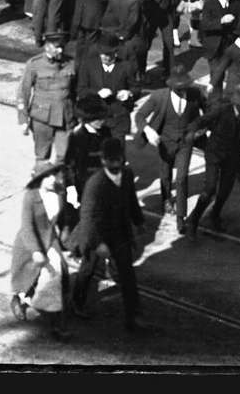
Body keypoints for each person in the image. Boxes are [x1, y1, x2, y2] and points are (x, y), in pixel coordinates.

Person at [68, 137, 147, 333]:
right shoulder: (95, 183)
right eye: (111, 160)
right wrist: (96, 243)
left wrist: (139, 221)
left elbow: (131, 200)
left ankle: (133, 316)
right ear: (103, 161)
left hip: (120, 234)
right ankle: (77, 302)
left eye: (118, 159)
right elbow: (87, 216)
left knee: (127, 275)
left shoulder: (127, 175)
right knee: (87, 270)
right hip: (98, 235)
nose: (115, 164)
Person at [133, 64, 205, 234]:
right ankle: (166, 199)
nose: (181, 91)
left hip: (186, 141)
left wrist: (201, 131)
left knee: (181, 178)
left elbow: (207, 112)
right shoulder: (159, 97)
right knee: (165, 173)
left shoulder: (195, 94)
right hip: (165, 141)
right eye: (177, 88)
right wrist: (148, 130)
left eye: (183, 88)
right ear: (171, 86)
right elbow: (140, 115)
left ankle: (181, 217)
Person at [185, 84, 240, 238]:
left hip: (233, 157)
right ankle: (193, 220)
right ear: (237, 103)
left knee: (225, 190)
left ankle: (215, 215)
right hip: (214, 154)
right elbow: (201, 120)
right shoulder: (222, 110)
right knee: (210, 188)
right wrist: (192, 131)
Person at [10, 161, 73, 341]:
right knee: (32, 276)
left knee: (56, 275)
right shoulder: (30, 197)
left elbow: (65, 218)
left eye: (54, 174)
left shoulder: (60, 191)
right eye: (48, 176)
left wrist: (67, 237)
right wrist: (36, 250)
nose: (53, 179)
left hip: (50, 239)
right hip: (30, 243)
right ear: (39, 179)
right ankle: (20, 298)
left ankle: (55, 323)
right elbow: (27, 227)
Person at [15, 32, 77, 163]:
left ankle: (59, 183)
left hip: (65, 117)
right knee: (42, 156)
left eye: (61, 47)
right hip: (42, 118)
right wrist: (23, 119)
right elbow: (23, 92)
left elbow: (76, 90)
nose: (60, 50)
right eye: (56, 47)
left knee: (64, 156)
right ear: (47, 47)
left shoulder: (71, 63)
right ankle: (38, 180)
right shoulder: (34, 64)